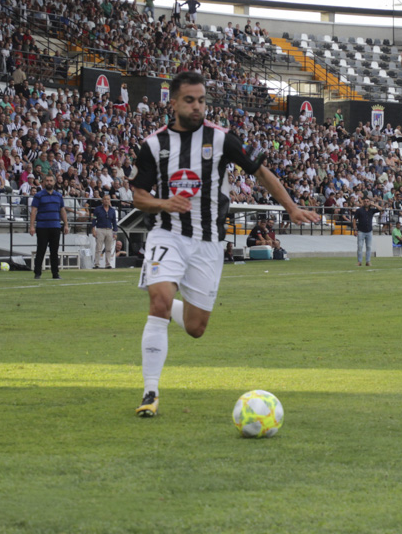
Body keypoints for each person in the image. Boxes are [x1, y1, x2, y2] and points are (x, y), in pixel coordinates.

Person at [129, 71, 320, 418]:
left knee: (195, 327)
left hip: (209, 242)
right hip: (166, 232)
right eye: (190, 100)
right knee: (158, 302)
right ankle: (150, 391)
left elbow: (260, 171)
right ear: (173, 103)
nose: (197, 106)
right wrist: (163, 204)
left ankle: (169, 302)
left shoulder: (222, 138)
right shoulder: (153, 145)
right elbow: (139, 197)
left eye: (202, 100)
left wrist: (291, 208)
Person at [29, 173, 68, 280]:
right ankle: (37, 273)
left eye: (51, 180)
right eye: (47, 181)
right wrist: (32, 226)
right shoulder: (39, 195)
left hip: (55, 226)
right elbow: (33, 211)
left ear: (54, 182)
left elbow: (62, 210)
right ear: (44, 182)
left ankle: (55, 273)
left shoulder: (58, 196)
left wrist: (66, 224)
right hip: (42, 226)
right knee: (41, 250)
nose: (49, 182)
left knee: (54, 251)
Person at [92, 196, 118, 269]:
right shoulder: (97, 209)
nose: (106, 201)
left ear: (110, 201)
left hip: (109, 230)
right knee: (98, 248)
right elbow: (94, 219)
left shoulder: (112, 210)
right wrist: (93, 229)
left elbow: (114, 222)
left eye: (108, 199)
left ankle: (108, 264)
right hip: (100, 229)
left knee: (108, 248)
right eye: (105, 199)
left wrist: (115, 232)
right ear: (102, 200)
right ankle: (97, 264)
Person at [353, 199, 380, 267]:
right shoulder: (359, 210)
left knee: (368, 247)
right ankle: (359, 261)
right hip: (361, 231)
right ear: (363, 202)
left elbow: (380, 209)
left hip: (369, 231)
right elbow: (354, 219)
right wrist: (355, 229)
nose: (366, 202)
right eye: (365, 201)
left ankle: (368, 261)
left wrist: (373, 204)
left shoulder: (372, 210)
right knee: (360, 246)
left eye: (368, 201)